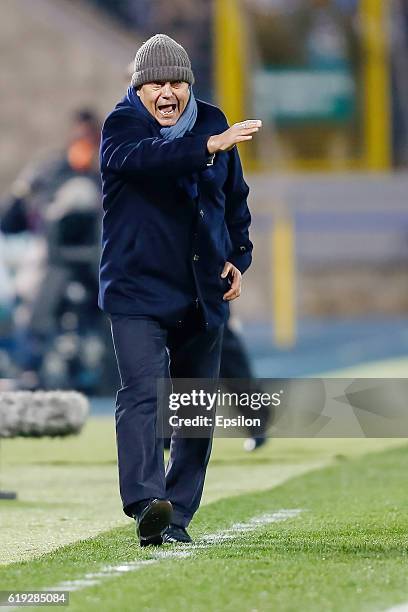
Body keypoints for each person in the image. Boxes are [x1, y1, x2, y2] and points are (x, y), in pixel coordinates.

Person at [99, 34, 262, 546]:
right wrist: (207, 147)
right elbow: (143, 160)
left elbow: (234, 199)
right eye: (155, 84)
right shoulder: (121, 125)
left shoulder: (214, 121)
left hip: (200, 289)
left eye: (176, 83)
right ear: (138, 87)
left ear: (189, 86)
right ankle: (148, 503)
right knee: (144, 393)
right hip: (136, 290)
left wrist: (240, 256)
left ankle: (177, 516)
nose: (166, 92)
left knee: (194, 408)